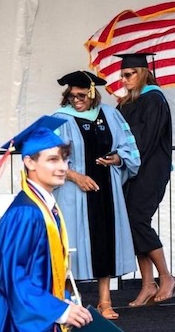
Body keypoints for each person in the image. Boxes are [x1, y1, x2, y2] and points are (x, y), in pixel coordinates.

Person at [0, 116, 93, 331]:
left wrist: (61, 301)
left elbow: (42, 271)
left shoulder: (44, 207)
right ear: (29, 162)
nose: (63, 167)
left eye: (65, 160)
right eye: (52, 160)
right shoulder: (25, 213)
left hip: (37, 310)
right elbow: (12, 275)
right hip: (15, 319)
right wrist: (58, 310)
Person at [52, 70, 140, 319]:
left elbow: (128, 147)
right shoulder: (58, 119)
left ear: (92, 94)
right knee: (71, 246)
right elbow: (48, 158)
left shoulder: (111, 115)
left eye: (81, 95)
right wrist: (74, 176)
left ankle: (105, 301)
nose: (76, 100)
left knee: (105, 242)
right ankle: (67, 302)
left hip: (106, 189)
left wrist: (117, 158)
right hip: (72, 191)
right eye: (72, 96)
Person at [116, 53, 175, 307]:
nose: (124, 79)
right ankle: (147, 284)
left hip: (151, 168)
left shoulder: (154, 99)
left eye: (129, 75)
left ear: (142, 72)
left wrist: (123, 159)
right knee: (132, 224)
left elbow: (146, 140)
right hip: (131, 170)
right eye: (122, 76)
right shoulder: (125, 104)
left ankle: (166, 277)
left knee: (137, 218)